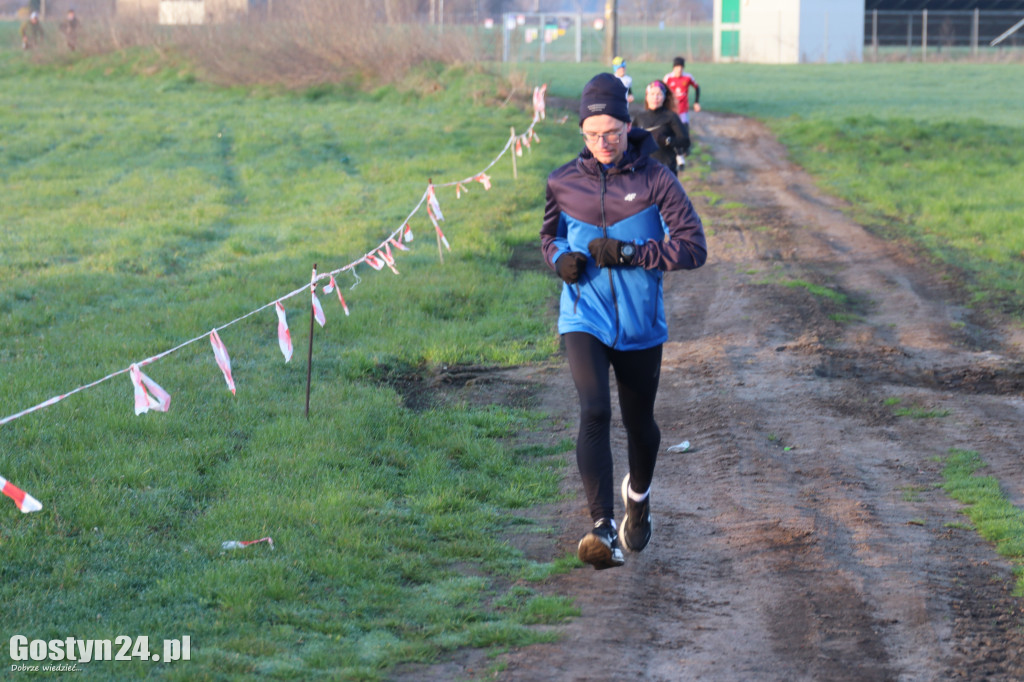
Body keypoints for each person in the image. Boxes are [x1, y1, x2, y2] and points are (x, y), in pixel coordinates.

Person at [540, 73, 707, 570]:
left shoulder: (655, 178)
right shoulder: (562, 182)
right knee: (594, 411)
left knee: (640, 425)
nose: (603, 143)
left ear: (627, 123)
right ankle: (602, 529)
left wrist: (633, 253)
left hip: (639, 325)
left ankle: (639, 498)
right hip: (583, 316)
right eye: (592, 134)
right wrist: (558, 262)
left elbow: (694, 247)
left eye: (611, 132)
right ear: (582, 134)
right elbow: (549, 237)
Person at [633, 80, 689, 175]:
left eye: (659, 94)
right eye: (652, 94)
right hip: (644, 171)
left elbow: (685, 142)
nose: (655, 97)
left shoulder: (671, 117)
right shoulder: (639, 117)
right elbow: (630, 142)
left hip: (667, 170)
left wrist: (667, 140)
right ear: (647, 97)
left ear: (664, 97)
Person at [663, 56, 701, 168]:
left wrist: (696, 102)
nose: (679, 70)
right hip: (671, 111)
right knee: (672, 131)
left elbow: (697, 87)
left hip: (683, 110)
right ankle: (677, 155)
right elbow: (662, 89)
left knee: (684, 131)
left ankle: (683, 150)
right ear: (673, 68)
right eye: (677, 67)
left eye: (681, 67)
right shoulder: (668, 78)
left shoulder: (688, 77)